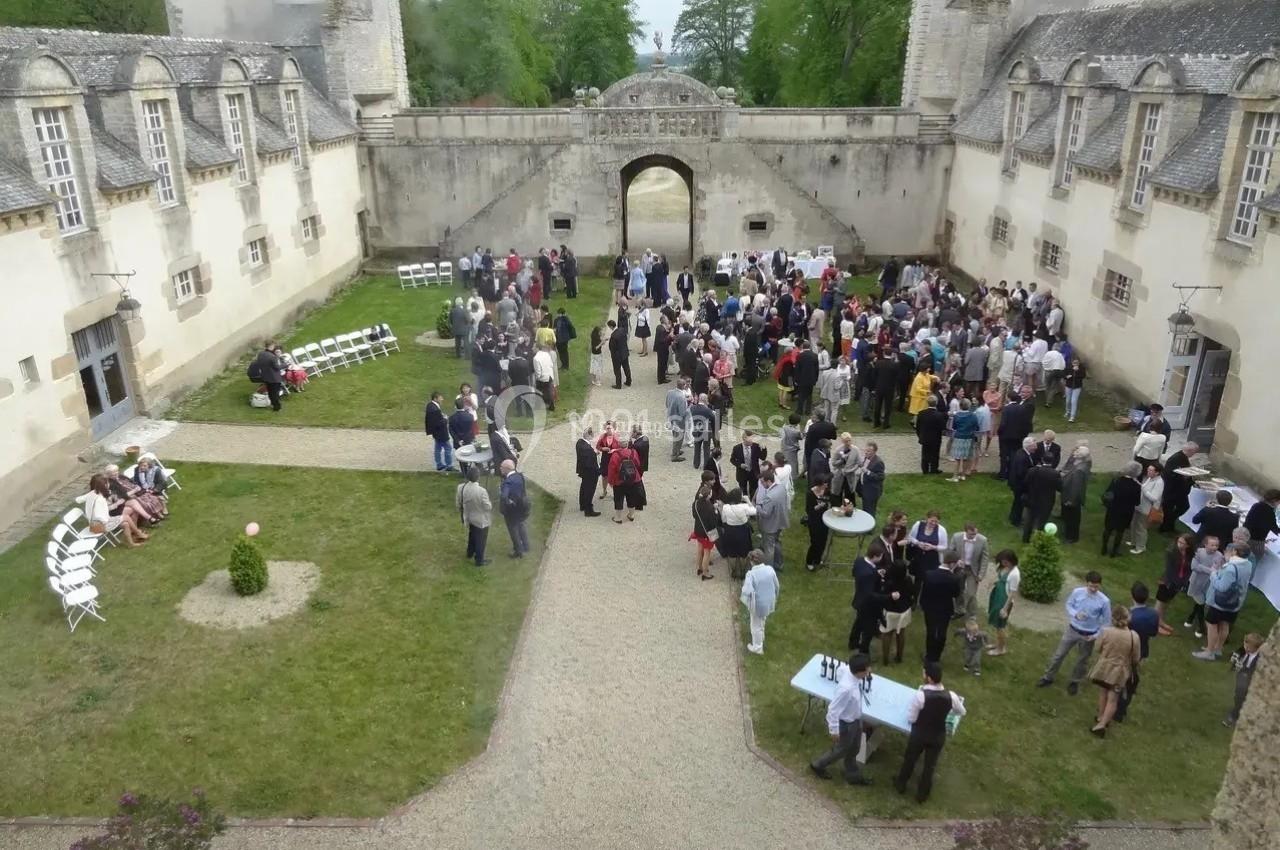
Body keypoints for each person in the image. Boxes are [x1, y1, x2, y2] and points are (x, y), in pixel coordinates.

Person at [894, 661, 965, 803]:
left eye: (924, 674)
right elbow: (962, 711)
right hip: (937, 735)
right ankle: (922, 794)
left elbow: (911, 718)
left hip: (919, 734)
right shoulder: (951, 696)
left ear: (929, 679)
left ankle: (901, 784)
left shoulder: (920, 696)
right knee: (930, 765)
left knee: (910, 759)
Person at [1037, 570, 1111, 694]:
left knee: (1082, 660)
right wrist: (1075, 614)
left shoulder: (1104, 601)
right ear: (1086, 583)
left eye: (1096, 586)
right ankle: (1048, 677)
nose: (1093, 589)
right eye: (1091, 586)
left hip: (1088, 635)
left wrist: (1095, 636)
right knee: (1059, 655)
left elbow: (1107, 622)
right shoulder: (1077, 592)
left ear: (1100, 585)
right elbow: (1069, 604)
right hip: (1072, 629)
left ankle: (1074, 681)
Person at [809, 653, 874, 786]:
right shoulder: (846, 689)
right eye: (867, 669)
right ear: (859, 672)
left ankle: (851, 772)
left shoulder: (849, 671)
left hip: (855, 719)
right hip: (847, 724)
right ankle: (818, 765)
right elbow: (833, 709)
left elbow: (840, 670)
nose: (869, 670)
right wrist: (834, 730)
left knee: (855, 747)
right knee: (841, 749)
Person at [1084, 606, 1140, 737]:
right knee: (1113, 699)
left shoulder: (1106, 632)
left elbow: (1098, 648)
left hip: (1104, 668)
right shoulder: (1134, 636)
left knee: (1103, 692)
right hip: (1120, 671)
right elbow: (1136, 658)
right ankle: (1102, 724)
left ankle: (1100, 717)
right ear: (1128, 618)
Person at [1195, 544, 1255, 661]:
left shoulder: (1231, 568)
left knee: (1211, 624)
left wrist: (1213, 574)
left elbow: (1222, 587)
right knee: (1224, 624)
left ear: (1235, 551)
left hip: (1220, 603)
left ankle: (1209, 651)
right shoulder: (1248, 564)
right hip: (1235, 603)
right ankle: (1218, 649)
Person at [1116, 582, 1159, 722]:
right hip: (1141, 650)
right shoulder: (1153, 614)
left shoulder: (1129, 616)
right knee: (1131, 678)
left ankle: (1117, 708)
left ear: (1132, 596)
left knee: (1120, 679)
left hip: (1126, 651)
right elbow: (1154, 633)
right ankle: (1122, 708)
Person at [80, 473, 148, 547]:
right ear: (104, 485)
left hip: (93, 525)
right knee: (125, 517)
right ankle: (138, 533)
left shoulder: (92, 493)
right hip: (99, 526)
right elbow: (99, 516)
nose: (109, 484)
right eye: (107, 483)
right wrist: (110, 518)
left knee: (125, 524)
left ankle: (131, 544)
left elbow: (78, 500)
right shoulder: (100, 499)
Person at [919, 553, 962, 663]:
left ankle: (929, 656)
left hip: (930, 607)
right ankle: (936, 656)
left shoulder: (929, 574)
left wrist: (923, 604)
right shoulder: (954, 578)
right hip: (945, 608)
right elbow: (956, 594)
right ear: (951, 564)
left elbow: (924, 591)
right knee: (942, 632)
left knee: (931, 631)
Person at [849, 543, 892, 652]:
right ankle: (863, 651)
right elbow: (870, 595)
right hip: (868, 605)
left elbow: (855, 573)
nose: (881, 558)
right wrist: (888, 596)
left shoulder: (859, 561)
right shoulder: (868, 574)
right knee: (868, 630)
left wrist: (876, 573)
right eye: (881, 556)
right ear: (875, 556)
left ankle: (853, 643)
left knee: (858, 623)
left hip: (859, 599)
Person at [1101, 462, 1143, 557]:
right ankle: (1114, 551)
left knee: (1108, 529)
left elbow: (1108, 492)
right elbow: (1137, 502)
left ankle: (1104, 548)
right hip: (1125, 512)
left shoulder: (1116, 480)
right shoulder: (1136, 486)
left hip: (1112, 508)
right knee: (1120, 531)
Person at [741, 549, 780, 654]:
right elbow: (777, 585)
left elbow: (747, 591)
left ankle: (757, 648)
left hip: (758, 604)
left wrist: (744, 587)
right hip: (769, 601)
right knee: (762, 620)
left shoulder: (751, 574)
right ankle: (761, 637)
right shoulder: (770, 569)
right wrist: (775, 596)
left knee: (755, 626)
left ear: (751, 561)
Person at [1187, 535, 1225, 639]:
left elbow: (1218, 569)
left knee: (1201, 603)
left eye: (1216, 545)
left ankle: (1193, 619)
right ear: (1205, 544)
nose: (1215, 547)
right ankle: (1201, 625)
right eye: (1212, 545)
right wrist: (1210, 570)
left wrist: (1208, 569)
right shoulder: (1199, 552)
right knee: (1200, 602)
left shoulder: (1219, 556)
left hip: (1209, 584)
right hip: (1196, 582)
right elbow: (1194, 566)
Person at [947, 523, 988, 619]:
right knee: (958, 590)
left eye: (975, 534)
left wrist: (981, 574)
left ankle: (972, 615)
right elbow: (950, 551)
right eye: (971, 534)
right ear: (965, 531)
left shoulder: (983, 540)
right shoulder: (956, 537)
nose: (974, 536)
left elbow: (985, 558)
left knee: (971, 593)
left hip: (973, 570)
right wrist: (956, 561)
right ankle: (959, 610)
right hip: (959, 568)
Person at [1223, 632, 1264, 727]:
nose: (1246, 648)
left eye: (1249, 647)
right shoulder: (1243, 650)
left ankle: (1234, 716)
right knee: (1238, 696)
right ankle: (1239, 710)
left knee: (1242, 696)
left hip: (1251, 679)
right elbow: (1236, 657)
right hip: (1241, 675)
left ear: (1257, 648)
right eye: (1245, 645)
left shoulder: (1260, 658)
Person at [1155, 533, 1195, 631]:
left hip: (1178, 582)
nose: (1179, 544)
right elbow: (1170, 570)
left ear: (1188, 545)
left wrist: (1183, 582)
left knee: (1167, 603)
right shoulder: (1171, 552)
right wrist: (1173, 582)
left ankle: (1160, 620)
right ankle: (1155, 624)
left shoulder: (1190, 555)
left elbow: (1189, 569)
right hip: (1168, 581)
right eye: (1179, 542)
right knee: (1160, 603)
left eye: (1182, 543)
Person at [879, 560, 915, 665]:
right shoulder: (908, 580)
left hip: (890, 612)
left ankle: (885, 660)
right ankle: (899, 657)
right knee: (901, 633)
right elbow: (912, 593)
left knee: (887, 634)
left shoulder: (888, 582)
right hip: (903, 611)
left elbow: (883, 596)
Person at [455, 466, 492, 567]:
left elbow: (458, 503)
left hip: (468, 517)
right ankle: (479, 560)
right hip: (480, 520)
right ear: (478, 477)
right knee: (481, 540)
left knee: (472, 534)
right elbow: (488, 507)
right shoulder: (481, 491)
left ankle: (470, 552)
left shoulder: (461, 487)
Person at [986, 549, 1021, 656]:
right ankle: (997, 644)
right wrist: (994, 583)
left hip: (1004, 600)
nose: (1003, 563)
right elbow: (1003, 581)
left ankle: (1001, 649)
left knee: (1000, 626)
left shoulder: (1015, 574)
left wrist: (1005, 609)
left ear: (1011, 560)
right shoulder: (1006, 568)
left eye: (1005, 561)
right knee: (997, 624)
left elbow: (1012, 593)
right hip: (998, 596)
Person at [1158, 441, 1199, 533]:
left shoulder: (1183, 458)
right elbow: (1169, 474)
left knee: (1183, 507)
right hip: (1172, 490)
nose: (1194, 454)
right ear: (1190, 451)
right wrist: (1184, 476)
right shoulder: (1175, 459)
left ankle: (1169, 525)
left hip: (1179, 490)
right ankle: (1165, 528)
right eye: (1194, 452)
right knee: (1170, 509)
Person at [755, 470, 790, 571]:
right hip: (780, 522)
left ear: (769, 481)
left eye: (762, 482)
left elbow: (765, 513)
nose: (762, 484)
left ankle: (769, 569)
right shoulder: (781, 487)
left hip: (770, 526)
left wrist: (758, 506)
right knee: (777, 543)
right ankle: (779, 563)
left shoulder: (770, 496)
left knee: (769, 548)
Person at [1021, 455, 1061, 543]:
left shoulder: (1032, 470)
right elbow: (1059, 487)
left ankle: (1025, 539)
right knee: (1041, 522)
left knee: (1029, 520)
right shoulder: (1055, 474)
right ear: (1052, 461)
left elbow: (1025, 483)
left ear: (1042, 459)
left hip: (1032, 499)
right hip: (1046, 501)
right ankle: (1037, 540)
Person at [718, 489, 757, 579]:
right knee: (744, 553)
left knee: (732, 553)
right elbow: (755, 511)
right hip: (742, 531)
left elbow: (724, 520)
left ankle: (734, 571)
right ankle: (743, 571)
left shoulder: (726, 507)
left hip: (730, 531)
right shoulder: (744, 507)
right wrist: (747, 500)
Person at [607, 438, 646, 523]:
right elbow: (638, 464)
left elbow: (611, 469)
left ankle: (618, 518)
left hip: (619, 480)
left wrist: (610, 481)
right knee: (632, 497)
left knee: (618, 498)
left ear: (618, 444)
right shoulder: (633, 452)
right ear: (627, 444)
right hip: (633, 479)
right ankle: (631, 515)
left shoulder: (615, 455)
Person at [1059, 445, 1092, 544]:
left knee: (1072, 518)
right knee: (1070, 517)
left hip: (1072, 498)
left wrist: (1071, 500)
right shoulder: (1079, 464)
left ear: (1080, 456)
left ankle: (1072, 537)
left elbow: (1076, 487)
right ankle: (1068, 533)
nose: (1075, 452)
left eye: (1077, 451)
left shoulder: (1079, 470)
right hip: (1070, 494)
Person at [498, 460, 531, 559]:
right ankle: (526, 546)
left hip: (512, 511)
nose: (500, 468)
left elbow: (504, 496)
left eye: (501, 467)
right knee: (521, 525)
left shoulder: (507, 482)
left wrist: (507, 504)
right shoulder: (520, 476)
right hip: (522, 507)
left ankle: (518, 551)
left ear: (506, 469)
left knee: (513, 530)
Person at [1129, 463, 1164, 554]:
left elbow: (1154, 498)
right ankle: (1133, 541)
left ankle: (1140, 547)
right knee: (1134, 524)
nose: (1148, 471)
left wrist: (1144, 490)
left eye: (1151, 470)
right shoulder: (1150, 478)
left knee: (1141, 527)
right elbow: (1143, 487)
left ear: (1157, 473)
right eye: (1148, 469)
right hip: (1139, 505)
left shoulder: (1159, 483)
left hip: (1146, 508)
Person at [690, 483, 719, 581]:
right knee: (707, 553)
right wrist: (716, 510)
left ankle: (699, 568)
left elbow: (694, 515)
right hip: (707, 533)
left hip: (698, 530)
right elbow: (713, 522)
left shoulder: (695, 503)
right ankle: (705, 573)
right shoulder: (710, 507)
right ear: (709, 495)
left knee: (699, 549)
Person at [804, 477, 832, 572]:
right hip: (814, 521)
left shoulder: (827, 491)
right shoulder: (810, 494)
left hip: (824, 520)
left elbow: (830, 501)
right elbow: (809, 510)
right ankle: (809, 562)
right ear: (819, 484)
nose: (826, 485)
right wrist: (819, 506)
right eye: (824, 484)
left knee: (823, 541)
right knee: (815, 542)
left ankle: (817, 559)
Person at [1243, 489, 1280, 562]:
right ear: (1275, 501)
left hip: (1245, 536)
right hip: (1256, 542)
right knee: (1253, 561)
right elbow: (1274, 528)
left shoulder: (1256, 505)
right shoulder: (1270, 512)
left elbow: (1248, 520)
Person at [1007, 436, 1036, 528]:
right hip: (1019, 485)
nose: (1036, 447)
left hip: (1017, 483)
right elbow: (1021, 473)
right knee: (1019, 503)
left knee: (1017, 502)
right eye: (1034, 446)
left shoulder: (1022, 452)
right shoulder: (1023, 457)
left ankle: (1013, 517)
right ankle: (1016, 520)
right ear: (1029, 446)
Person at [947, 400, 979, 481]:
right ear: (969, 406)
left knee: (957, 458)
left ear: (960, 406)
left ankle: (955, 476)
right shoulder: (973, 415)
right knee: (966, 458)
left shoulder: (957, 415)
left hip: (959, 437)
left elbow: (954, 427)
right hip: (969, 438)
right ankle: (963, 475)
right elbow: (977, 427)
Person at [915, 396, 947, 475]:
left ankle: (925, 469)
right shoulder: (939, 415)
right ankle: (934, 469)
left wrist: (920, 435)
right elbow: (942, 427)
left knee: (925, 453)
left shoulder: (921, 413)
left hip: (925, 437)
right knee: (935, 454)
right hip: (935, 438)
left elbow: (918, 427)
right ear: (936, 403)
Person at [730, 430, 765, 499]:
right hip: (742, 473)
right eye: (750, 440)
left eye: (752, 439)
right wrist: (740, 465)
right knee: (743, 491)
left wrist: (764, 449)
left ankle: (752, 501)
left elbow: (763, 457)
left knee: (754, 489)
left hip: (753, 472)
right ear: (744, 439)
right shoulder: (737, 448)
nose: (752, 442)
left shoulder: (756, 446)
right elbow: (732, 460)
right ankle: (744, 502)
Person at [251, 342, 285, 411]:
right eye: (274, 346)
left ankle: (273, 403)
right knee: (275, 393)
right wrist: (285, 364)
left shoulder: (261, 354)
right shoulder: (272, 356)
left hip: (266, 376)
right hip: (274, 378)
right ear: (271, 346)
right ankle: (277, 407)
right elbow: (277, 367)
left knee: (270, 391)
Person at [575, 428, 601, 517]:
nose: (593, 436)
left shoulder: (579, 443)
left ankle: (582, 505)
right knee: (589, 491)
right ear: (589, 435)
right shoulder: (587, 449)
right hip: (590, 473)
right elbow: (590, 463)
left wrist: (593, 453)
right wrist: (598, 471)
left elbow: (586, 457)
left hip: (583, 471)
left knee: (583, 488)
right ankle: (588, 510)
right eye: (592, 435)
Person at [425, 391, 453, 472]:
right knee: (448, 448)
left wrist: (441, 416)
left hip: (436, 433)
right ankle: (449, 466)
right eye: (440, 398)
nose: (442, 399)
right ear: (435, 398)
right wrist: (445, 419)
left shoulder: (430, 406)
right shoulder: (434, 409)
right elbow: (438, 423)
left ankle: (439, 464)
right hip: (441, 433)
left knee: (438, 448)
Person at [689, 393, 715, 470]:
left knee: (697, 448)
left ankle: (696, 464)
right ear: (705, 400)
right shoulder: (708, 410)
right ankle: (706, 465)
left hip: (697, 430)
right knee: (706, 449)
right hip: (706, 430)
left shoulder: (692, 408)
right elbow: (713, 420)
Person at [666, 379, 690, 462]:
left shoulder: (670, 392)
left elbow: (667, 404)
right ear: (683, 386)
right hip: (679, 421)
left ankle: (677, 451)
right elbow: (682, 412)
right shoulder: (681, 397)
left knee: (675, 435)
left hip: (671, 417)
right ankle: (675, 456)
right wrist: (689, 410)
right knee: (679, 438)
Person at [595, 422, 620, 500]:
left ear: (614, 428)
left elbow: (622, 448)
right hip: (605, 459)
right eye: (607, 428)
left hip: (614, 458)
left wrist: (614, 450)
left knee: (615, 476)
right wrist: (603, 448)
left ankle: (615, 492)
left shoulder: (617, 437)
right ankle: (604, 491)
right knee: (604, 476)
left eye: (610, 428)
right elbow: (597, 446)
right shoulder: (603, 436)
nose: (608, 430)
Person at [860, 442, 885, 517]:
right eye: (865, 450)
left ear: (874, 451)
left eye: (868, 451)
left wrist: (868, 472)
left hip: (872, 491)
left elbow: (880, 477)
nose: (866, 452)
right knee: (865, 509)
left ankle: (870, 523)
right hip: (865, 489)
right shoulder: (867, 458)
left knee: (870, 511)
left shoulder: (878, 462)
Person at [532, 344, 557, 412]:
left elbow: (538, 371)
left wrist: (537, 378)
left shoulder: (536, 358)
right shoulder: (546, 354)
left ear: (537, 348)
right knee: (549, 391)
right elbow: (551, 365)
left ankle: (538, 407)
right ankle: (551, 406)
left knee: (538, 392)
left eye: (533, 347)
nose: (532, 348)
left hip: (542, 378)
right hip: (549, 375)